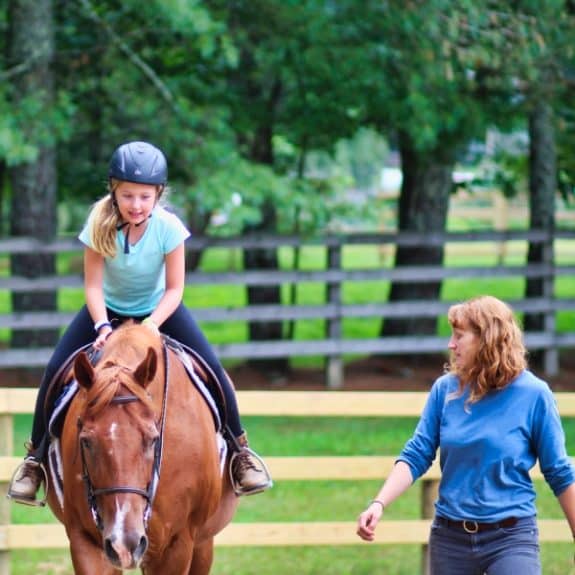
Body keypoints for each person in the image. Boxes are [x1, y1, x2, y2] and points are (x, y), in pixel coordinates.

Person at [8, 140, 272, 505]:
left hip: (160, 309)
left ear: (158, 195)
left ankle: (240, 450)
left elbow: (176, 289)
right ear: (113, 192)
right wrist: (102, 326)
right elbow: (92, 286)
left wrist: (151, 325)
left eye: (145, 197)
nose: (136, 205)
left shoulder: (169, 228)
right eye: (128, 195)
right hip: (107, 310)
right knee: (55, 368)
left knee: (210, 366)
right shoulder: (98, 224)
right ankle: (35, 460)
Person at [356, 295, 575, 574]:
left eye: (459, 336)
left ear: (488, 340)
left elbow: (559, 471)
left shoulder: (534, 395)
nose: (451, 344)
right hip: (450, 540)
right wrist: (378, 503)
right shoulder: (444, 390)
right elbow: (417, 454)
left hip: (510, 538)